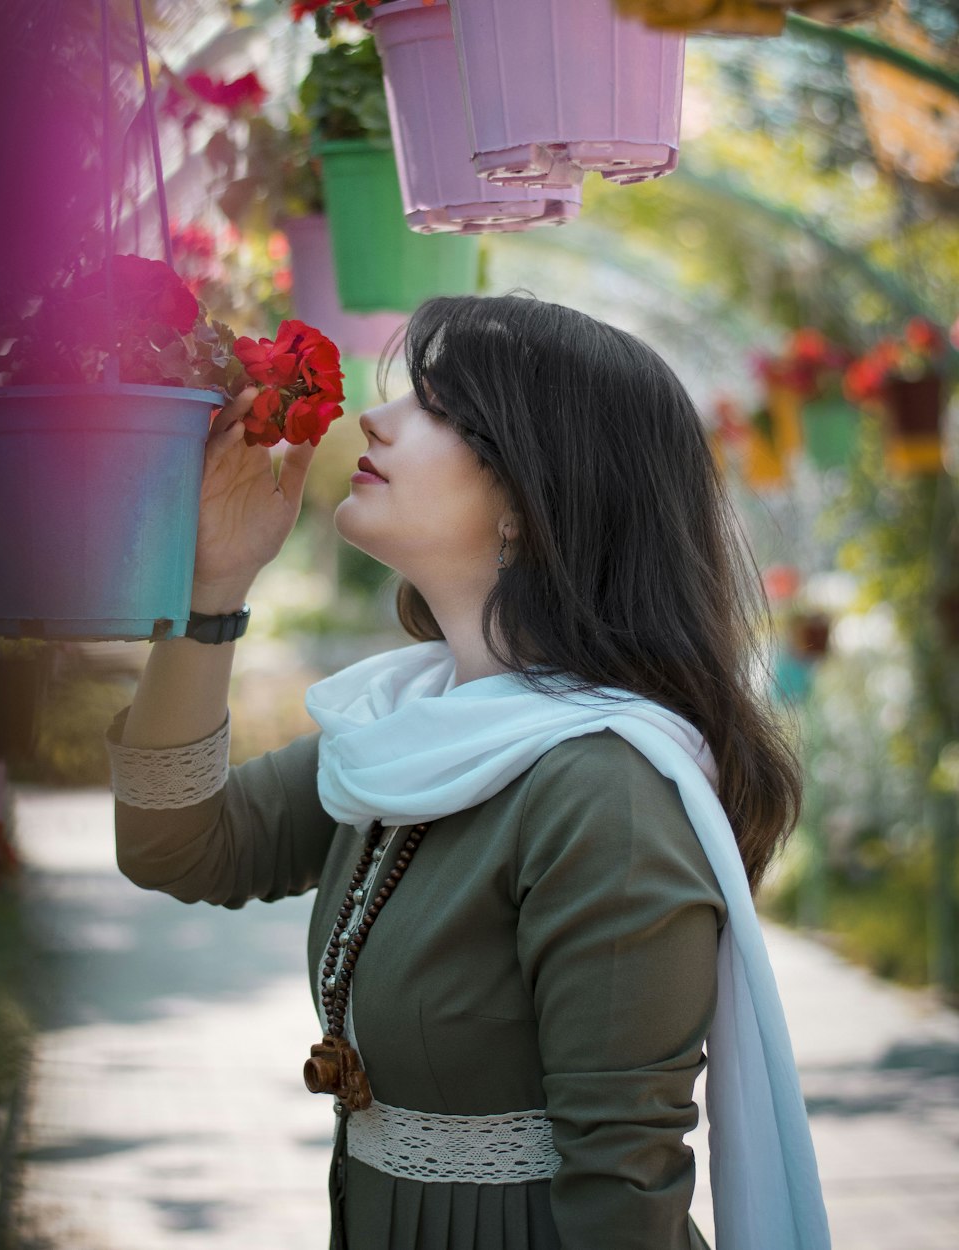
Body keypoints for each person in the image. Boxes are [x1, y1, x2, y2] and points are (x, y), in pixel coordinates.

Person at [106, 294, 831, 1250]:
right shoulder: (408, 727)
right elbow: (177, 845)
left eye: (440, 408)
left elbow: (624, 1194)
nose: (377, 417)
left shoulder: (601, 792)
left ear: (534, 505)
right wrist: (212, 595)